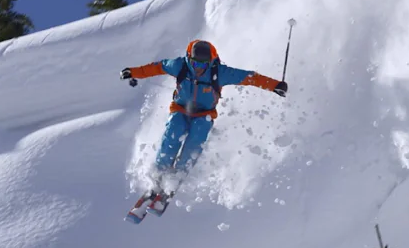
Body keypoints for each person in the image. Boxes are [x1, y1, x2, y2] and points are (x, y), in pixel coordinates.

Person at [120, 39, 288, 199]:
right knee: (172, 136)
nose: (198, 68)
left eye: (202, 64)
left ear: (210, 62)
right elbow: (157, 67)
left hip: (204, 114)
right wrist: (132, 72)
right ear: (189, 59)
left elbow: (250, 77)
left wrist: (274, 86)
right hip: (180, 110)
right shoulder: (180, 66)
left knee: (195, 142)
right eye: (195, 63)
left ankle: (176, 178)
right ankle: (158, 177)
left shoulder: (220, 72)